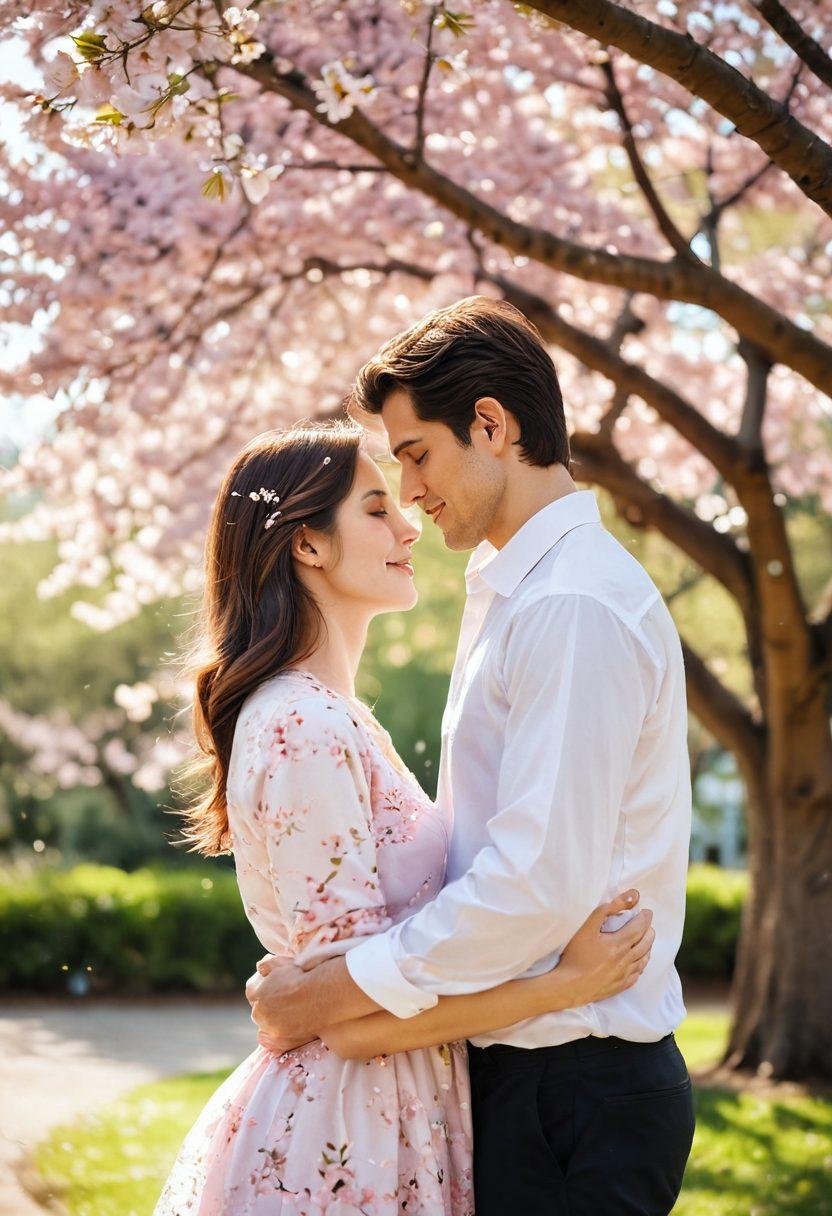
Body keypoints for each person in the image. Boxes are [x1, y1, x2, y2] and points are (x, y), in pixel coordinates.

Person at [247, 298, 696, 1216]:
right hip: (521, 1073)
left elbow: (536, 884)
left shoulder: (572, 605)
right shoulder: (518, 591)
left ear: (490, 424)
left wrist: (335, 992)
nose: (410, 492)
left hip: (579, 1089)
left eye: (416, 455)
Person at [153, 418, 655, 1216]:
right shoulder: (298, 724)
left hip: (397, 1113)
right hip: (343, 1138)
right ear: (308, 546)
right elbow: (349, 1026)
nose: (410, 523)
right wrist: (564, 984)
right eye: (377, 507)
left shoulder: (337, 715)